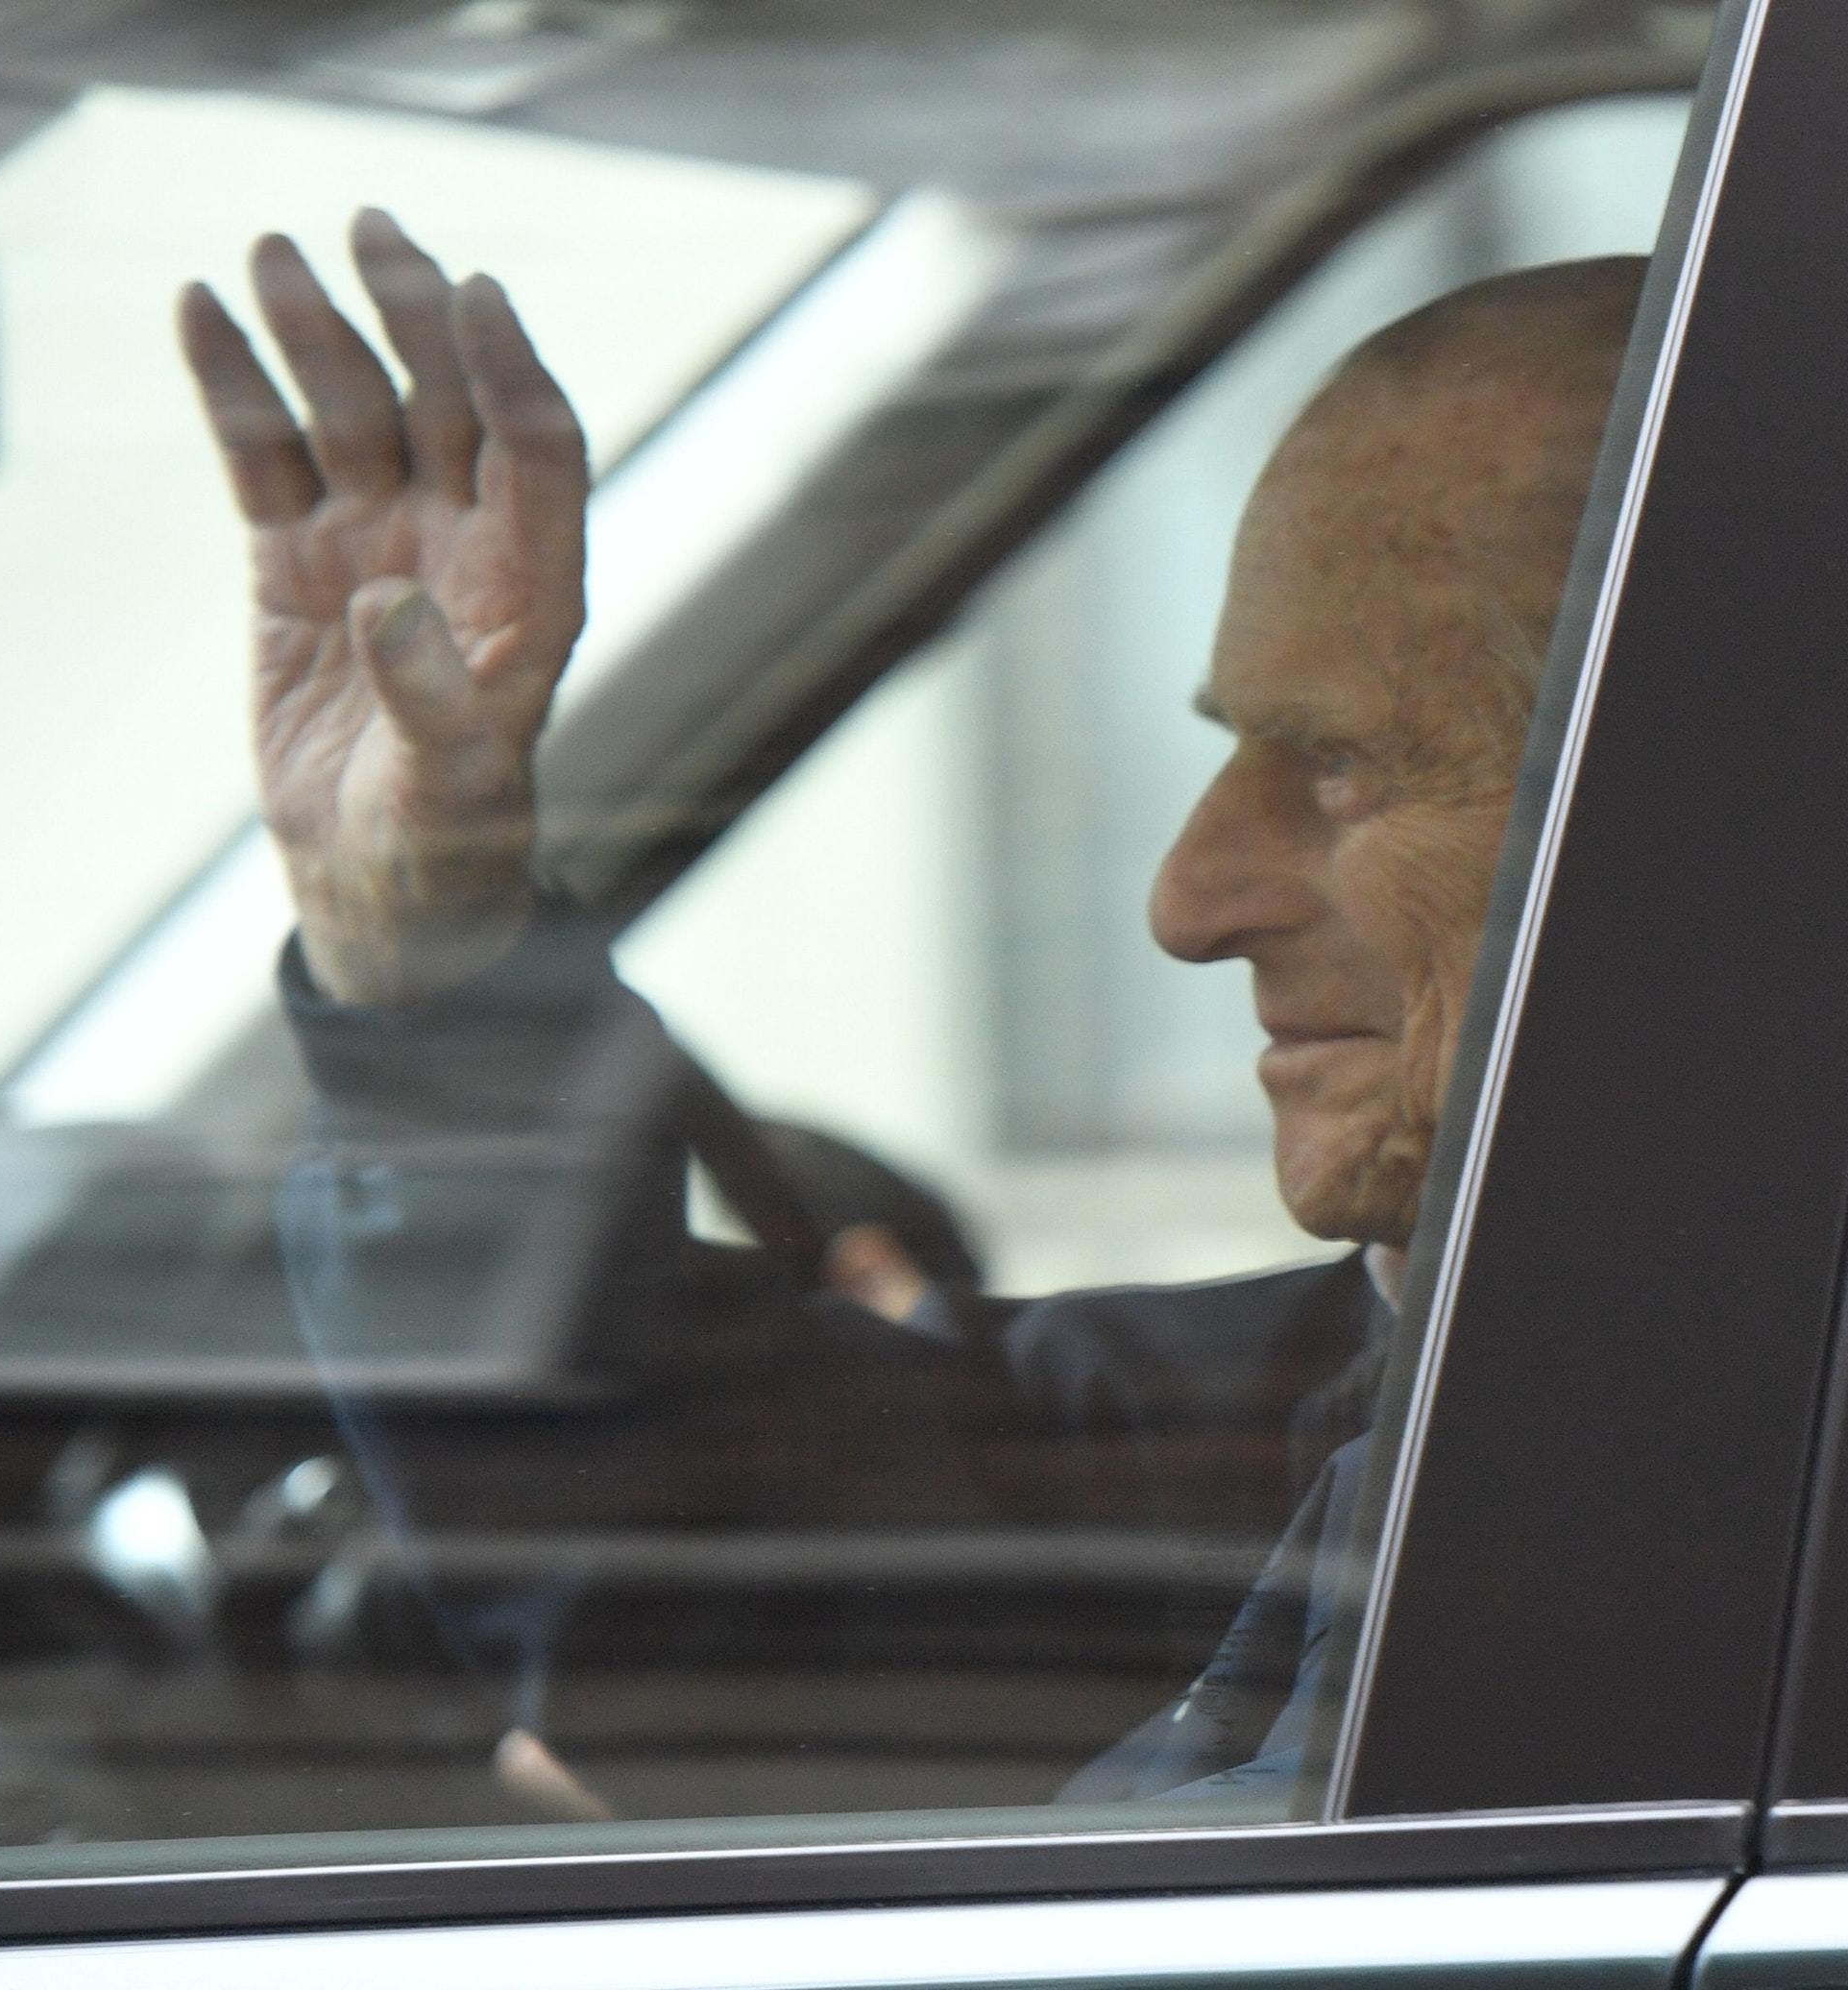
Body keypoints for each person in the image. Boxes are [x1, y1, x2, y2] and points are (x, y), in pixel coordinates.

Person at [175, 211, 1641, 1808]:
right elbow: (754, 1577)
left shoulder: (1732, 1501)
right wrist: (419, 931)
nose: (1189, 904)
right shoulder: (1408, 1367)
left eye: (1344, 761)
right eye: (1233, 749)